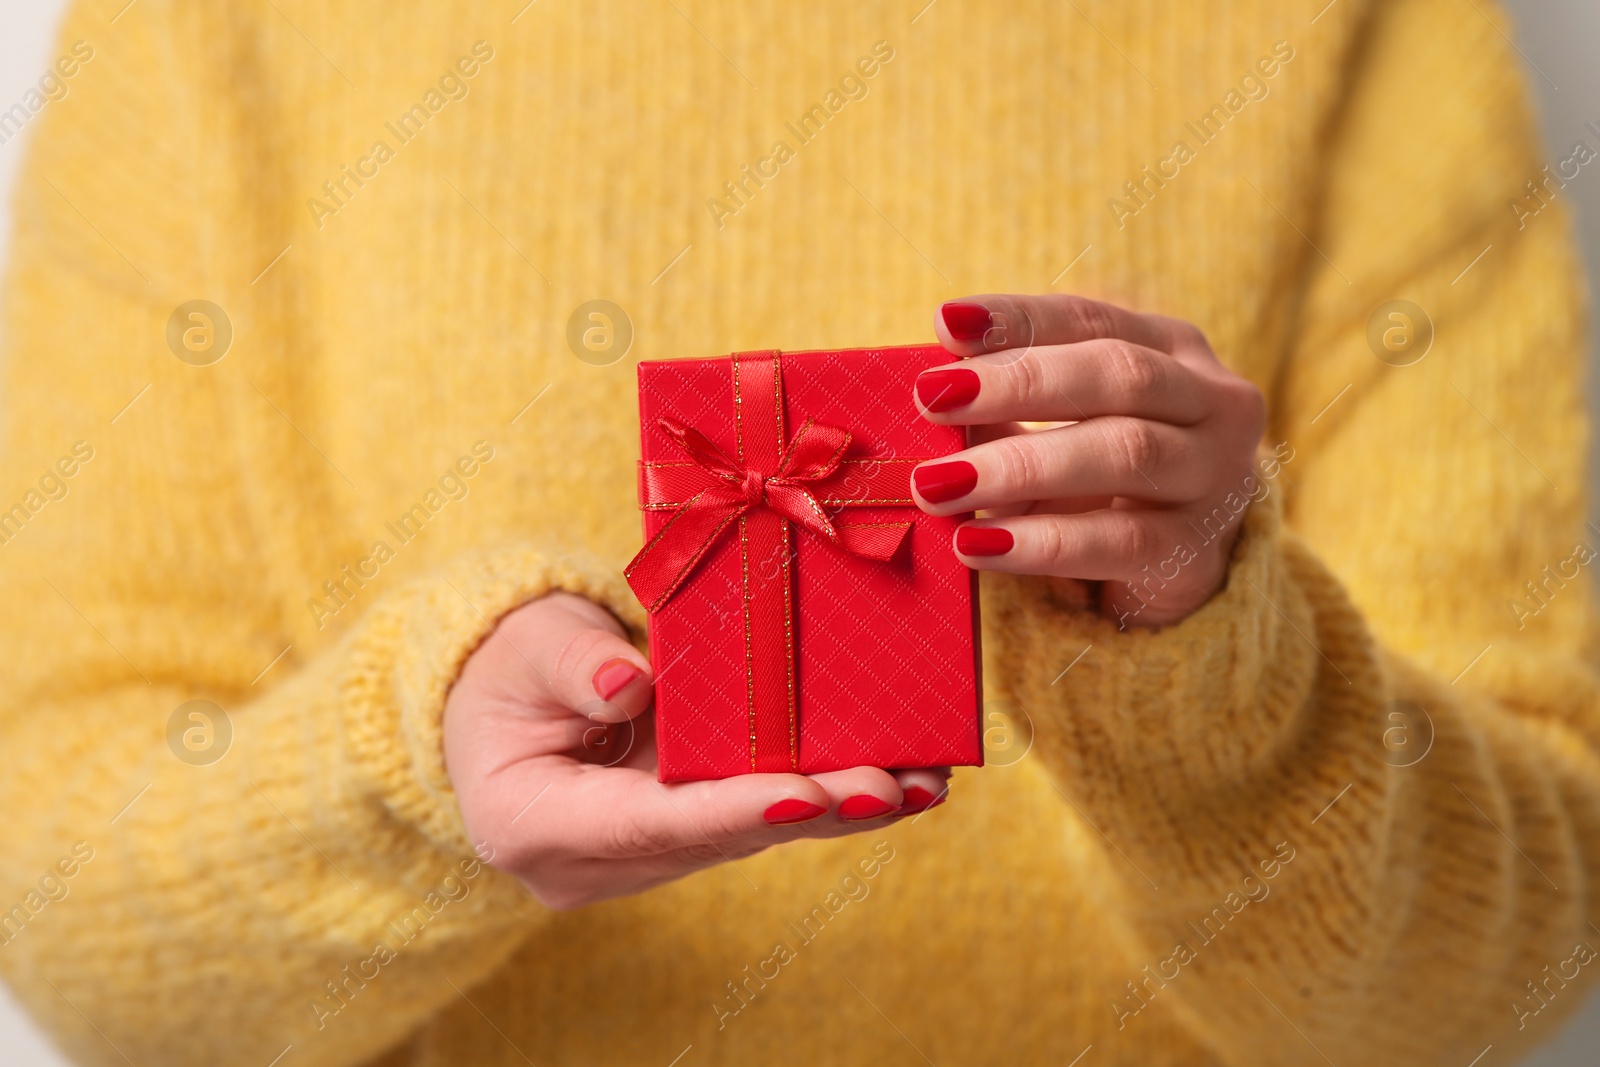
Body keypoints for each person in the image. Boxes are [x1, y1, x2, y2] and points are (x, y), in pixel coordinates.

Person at [0, 0, 1595, 1064]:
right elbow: (53, 892)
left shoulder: (1350, 26)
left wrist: (1212, 669)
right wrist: (412, 779)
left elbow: (1525, 943)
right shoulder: (211, 29)